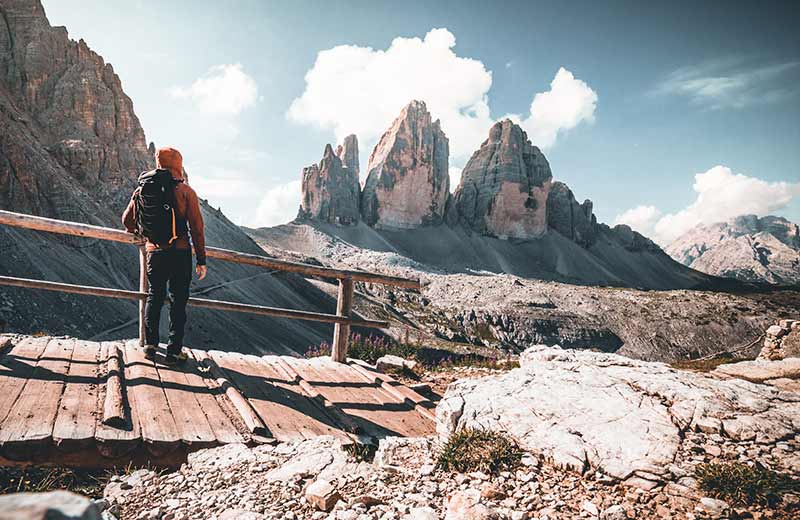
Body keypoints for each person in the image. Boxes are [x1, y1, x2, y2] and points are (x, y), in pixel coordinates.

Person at [122, 147, 207, 365]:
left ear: (158, 163)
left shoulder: (142, 189)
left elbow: (127, 221)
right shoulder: (186, 191)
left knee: (154, 295)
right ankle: (174, 351)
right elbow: (197, 228)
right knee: (178, 301)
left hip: (154, 251)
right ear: (179, 164)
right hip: (179, 252)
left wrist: (145, 234)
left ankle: (150, 346)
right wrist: (201, 260)